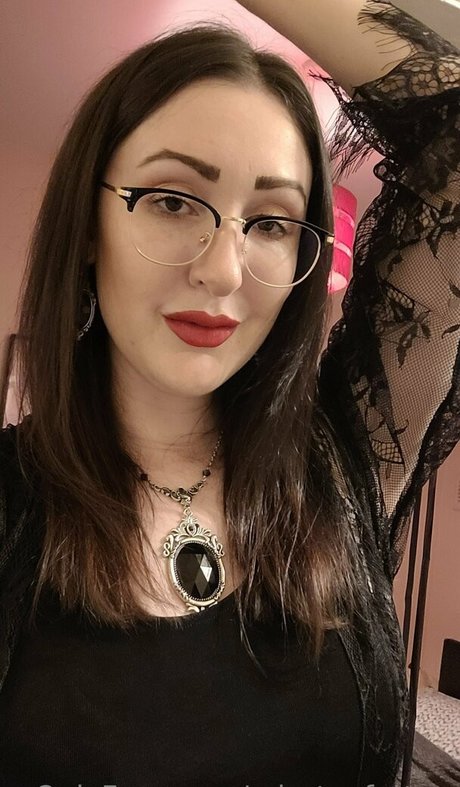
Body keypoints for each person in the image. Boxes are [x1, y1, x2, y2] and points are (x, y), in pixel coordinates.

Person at [0, 0, 458, 785]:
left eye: (273, 222)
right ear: (88, 225)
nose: (222, 270)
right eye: (174, 201)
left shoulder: (347, 459)